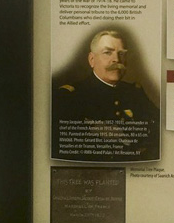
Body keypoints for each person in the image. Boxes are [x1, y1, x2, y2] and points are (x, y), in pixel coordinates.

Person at [52, 28, 160, 161]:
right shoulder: (70, 96)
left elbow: (160, 132)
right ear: (92, 60)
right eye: (107, 53)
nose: (116, 60)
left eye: (121, 54)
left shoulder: (135, 92)